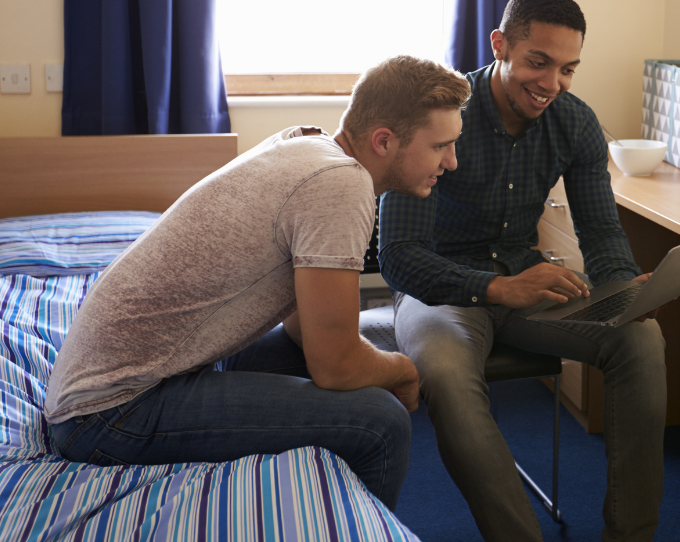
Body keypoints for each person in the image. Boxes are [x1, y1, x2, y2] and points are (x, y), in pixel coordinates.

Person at [44, 55, 471, 511]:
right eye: (440, 145)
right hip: (107, 413)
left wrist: (362, 362)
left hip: (98, 387)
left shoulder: (302, 143)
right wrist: (404, 371)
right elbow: (337, 367)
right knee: (381, 420)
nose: (452, 161)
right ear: (384, 140)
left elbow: (302, 333)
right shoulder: (340, 185)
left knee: (321, 357)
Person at [379, 0, 668, 541]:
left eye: (568, 69)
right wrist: (495, 288)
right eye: (539, 62)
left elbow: (601, 229)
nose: (552, 84)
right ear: (500, 46)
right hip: (439, 290)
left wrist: (624, 290)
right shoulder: (436, 115)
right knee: (443, 372)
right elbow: (399, 256)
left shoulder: (576, 123)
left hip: (528, 282)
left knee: (642, 338)